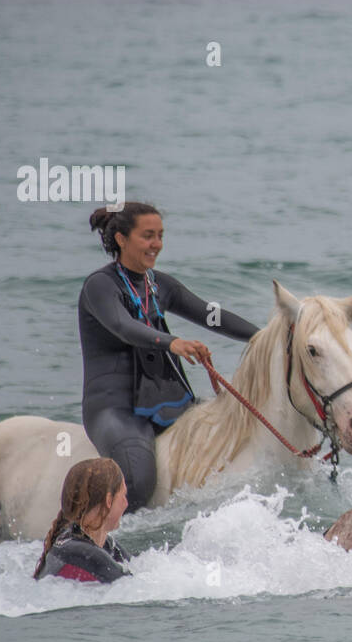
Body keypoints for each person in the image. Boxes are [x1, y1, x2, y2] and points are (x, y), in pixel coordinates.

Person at [81, 202, 260, 513]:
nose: (157, 245)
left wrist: (268, 336)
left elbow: (211, 315)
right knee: (138, 482)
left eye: (160, 236)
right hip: (116, 409)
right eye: (148, 236)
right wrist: (172, 342)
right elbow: (123, 327)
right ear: (122, 239)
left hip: (166, 404)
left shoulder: (159, 284)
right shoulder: (100, 286)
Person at [33, 458, 132, 583]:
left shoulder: (105, 545)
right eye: (123, 495)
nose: (126, 503)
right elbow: (132, 585)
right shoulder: (84, 553)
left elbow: (140, 567)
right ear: (109, 500)